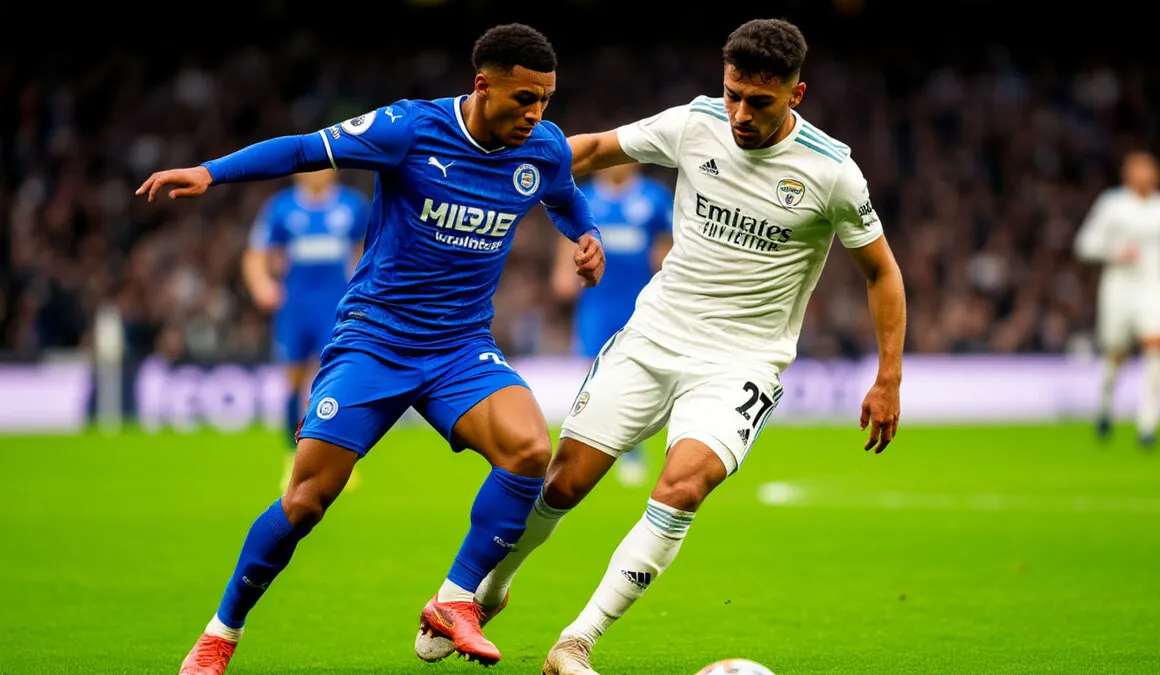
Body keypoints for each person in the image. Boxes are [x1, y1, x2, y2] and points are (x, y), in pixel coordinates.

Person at [415, 18, 907, 673]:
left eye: (757, 101)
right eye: (731, 92)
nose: (738, 113)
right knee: (562, 482)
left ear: (796, 94)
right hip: (652, 337)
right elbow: (586, 152)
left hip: (739, 364)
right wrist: (495, 166)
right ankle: (489, 591)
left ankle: (575, 641)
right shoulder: (694, 122)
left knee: (680, 486)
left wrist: (888, 377)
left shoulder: (831, 172)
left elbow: (881, 271)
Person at [135, 23, 605, 674]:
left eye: (544, 100)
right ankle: (220, 633)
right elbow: (304, 151)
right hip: (375, 340)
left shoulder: (544, 148)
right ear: (482, 85)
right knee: (304, 501)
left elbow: (564, 197)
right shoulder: (410, 129)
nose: (535, 114)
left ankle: (455, 598)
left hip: (460, 346)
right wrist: (210, 173)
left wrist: (586, 236)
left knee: (529, 449)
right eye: (522, 98)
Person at [242, 168, 369, 491]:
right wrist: (262, 286)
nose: (319, 173)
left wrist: (365, 291)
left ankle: (339, 461)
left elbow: (363, 253)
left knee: (336, 383)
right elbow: (256, 254)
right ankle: (292, 459)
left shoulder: (351, 206)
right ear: (298, 175)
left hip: (337, 307)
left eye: (326, 167)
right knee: (294, 381)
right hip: (296, 308)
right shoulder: (281, 208)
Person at [551, 162, 673, 487]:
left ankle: (632, 449)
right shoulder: (586, 197)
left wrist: (667, 271)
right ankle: (584, 447)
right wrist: (563, 270)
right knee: (594, 375)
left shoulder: (654, 197)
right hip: (597, 303)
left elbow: (667, 241)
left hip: (641, 302)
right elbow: (570, 236)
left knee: (638, 374)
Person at [1074, 150, 1160, 448]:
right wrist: (1116, 252)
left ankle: (1148, 424)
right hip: (1119, 288)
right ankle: (1105, 406)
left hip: (1154, 288)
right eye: (1141, 169)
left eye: (1151, 169)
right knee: (1115, 353)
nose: (1148, 175)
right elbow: (1085, 244)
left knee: (1157, 346)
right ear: (1128, 174)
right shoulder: (1112, 205)